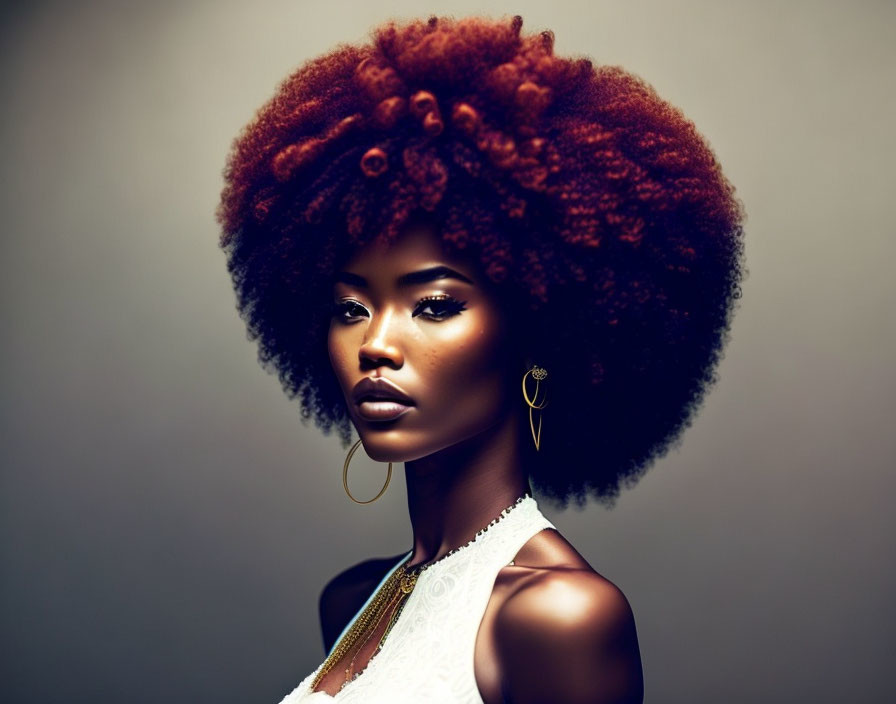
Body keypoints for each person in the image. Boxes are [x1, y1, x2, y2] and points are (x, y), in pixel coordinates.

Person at [216, 14, 743, 704]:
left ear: (536, 330)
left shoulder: (557, 620)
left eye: (433, 305)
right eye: (351, 308)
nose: (374, 342)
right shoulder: (352, 600)